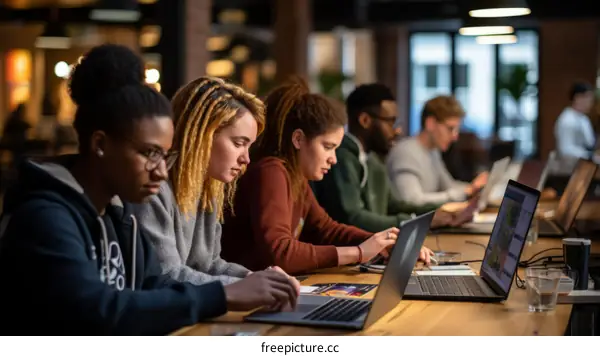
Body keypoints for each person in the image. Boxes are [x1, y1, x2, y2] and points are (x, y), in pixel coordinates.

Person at [0, 44, 298, 336]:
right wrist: (224, 295)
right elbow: (97, 311)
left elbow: (153, 284)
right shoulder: (44, 217)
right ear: (100, 145)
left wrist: (248, 282)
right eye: (149, 153)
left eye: (164, 154)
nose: (161, 170)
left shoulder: (119, 216)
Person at [220, 79, 433, 275]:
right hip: (246, 297)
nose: (333, 159)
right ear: (298, 139)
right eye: (328, 147)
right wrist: (359, 252)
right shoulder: (270, 171)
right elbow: (280, 252)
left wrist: (381, 241)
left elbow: (325, 229)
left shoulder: (294, 176)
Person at [133, 77, 265, 285]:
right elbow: (166, 275)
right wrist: (246, 286)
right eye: (239, 143)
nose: (246, 159)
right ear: (202, 134)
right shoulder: (154, 186)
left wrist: (255, 278)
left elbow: (210, 264)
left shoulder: (208, 186)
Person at [312, 84, 465, 233]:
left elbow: (393, 205)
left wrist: (435, 214)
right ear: (365, 120)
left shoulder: (372, 160)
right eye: (390, 122)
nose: (397, 130)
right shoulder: (341, 159)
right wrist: (414, 220)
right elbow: (353, 218)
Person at [386, 95, 488, 206]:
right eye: (450, 128)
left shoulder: (433, 151)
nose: (455, 136)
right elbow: (411, 200)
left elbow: (449, 186)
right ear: (430, 124)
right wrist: (466, 192)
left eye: (457, 130)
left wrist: (474, 188)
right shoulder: (405, 153)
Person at [554, 82, 597, 165]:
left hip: (584, 166)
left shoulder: (584, 119)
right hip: (568, 169)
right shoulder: (567, 119)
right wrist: (589, 155)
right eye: (588, 99)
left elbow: (590, 143)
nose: (590, 103)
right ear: (578, 98)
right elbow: (566, 149)